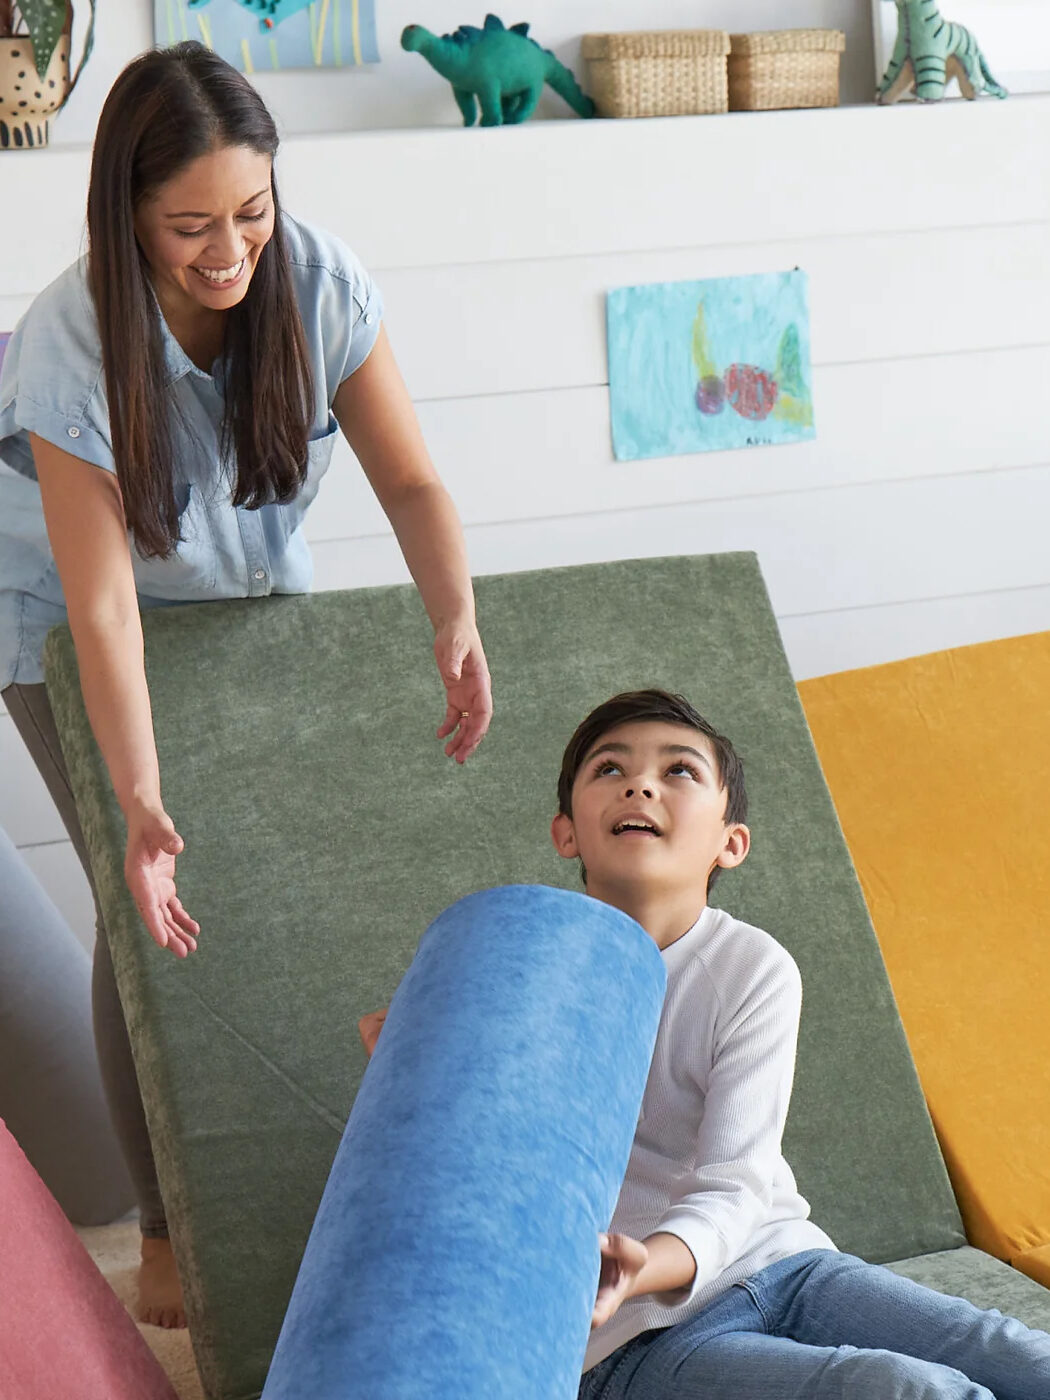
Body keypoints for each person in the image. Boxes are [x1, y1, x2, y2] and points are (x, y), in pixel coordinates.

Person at [0, 42, 492, 1328]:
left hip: (239, 590)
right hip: (60, 613)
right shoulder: (70, 343)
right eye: (191, 226)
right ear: (128, 213)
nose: (230, 250)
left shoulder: (316, 281)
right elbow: (102, 602)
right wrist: (141, 799)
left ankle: (286, 1186)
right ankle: (163, 1230)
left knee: (268, 875)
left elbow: (415, 482)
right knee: (140, 895)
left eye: (253, 213)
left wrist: (454, 615)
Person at [362, 689, 1050, 1397]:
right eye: (608, 769)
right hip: (626, 1339)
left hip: (780, 1264)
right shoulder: (517, 968)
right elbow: (468, 1181)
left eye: (680, 771)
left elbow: (735, 1180)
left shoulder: (752, 969)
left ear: (732, 841)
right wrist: (411, 1071)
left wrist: (653, 1258)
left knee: (1014, 1354)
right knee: (900, 1390)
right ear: (566, 832)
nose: (640, 783)